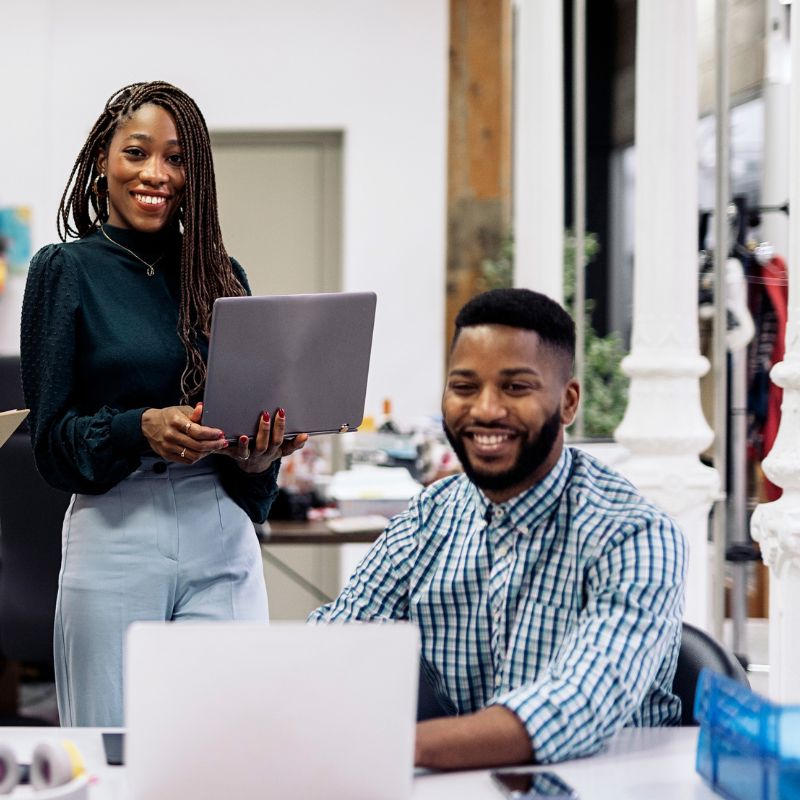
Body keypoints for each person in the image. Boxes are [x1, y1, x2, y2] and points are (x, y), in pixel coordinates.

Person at [20, 81, 308, 727]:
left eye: (176, 159)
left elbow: (250, 458)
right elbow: (50, 444)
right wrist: (141, 429)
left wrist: (260, 458)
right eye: (137, 153)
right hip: (118, 529)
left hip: (221, 532)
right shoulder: (63, 271)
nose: (156, 174)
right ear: (102, 159)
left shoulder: (221, 274)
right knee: (113, 752)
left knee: (232, 749)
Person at [309, 288, 687, 769]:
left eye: (515, 387)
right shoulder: (430, 517)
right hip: (466, 783)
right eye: (464, 387)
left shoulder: (635, 535)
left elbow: (577, 703)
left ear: (567, 403)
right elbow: (334, 644)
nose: (485, 410)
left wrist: (390, 745)